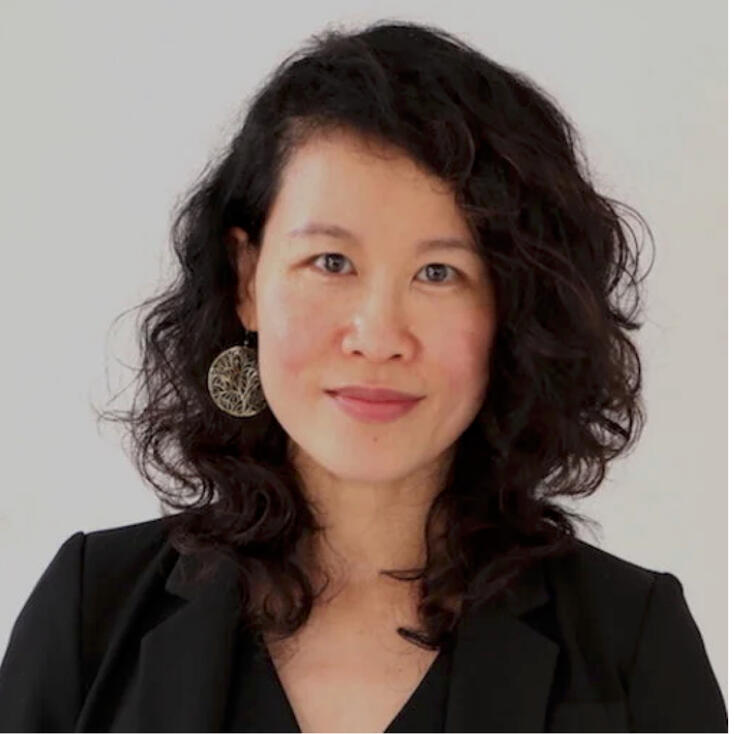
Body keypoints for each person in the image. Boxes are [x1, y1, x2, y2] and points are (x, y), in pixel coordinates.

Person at [0, 19, 726, 734]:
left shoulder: (632, 647)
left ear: (513, 308)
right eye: (331, 262)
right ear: (247, 279)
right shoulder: (90, 615)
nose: (378, 337)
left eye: (438, 272)